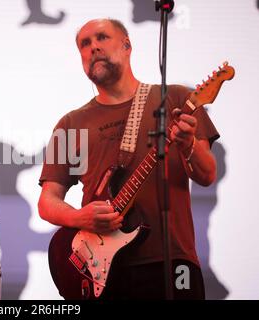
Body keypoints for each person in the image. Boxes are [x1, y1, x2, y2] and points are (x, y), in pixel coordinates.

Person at [37, 18, 219, 300]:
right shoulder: (69, 123)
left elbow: (207, 175)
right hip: (100, 269)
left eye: (102, 38)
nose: (93, 47)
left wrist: (187, 146)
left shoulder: (177, 99)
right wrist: (79, 216)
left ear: (126, 46)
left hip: (172, 261)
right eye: (85, 44)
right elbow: (47, 202)